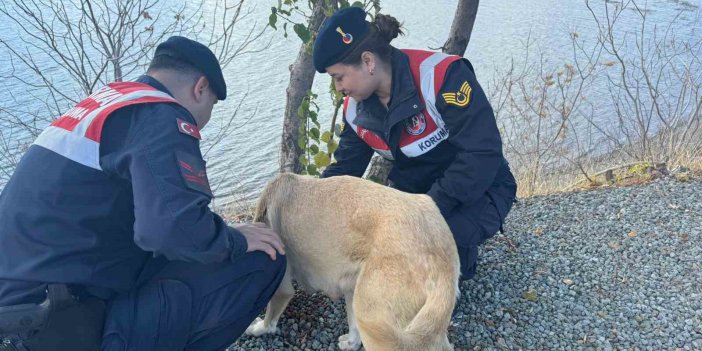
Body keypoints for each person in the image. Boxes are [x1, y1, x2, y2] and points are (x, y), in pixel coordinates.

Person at [0, 36, 286, 351]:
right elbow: (173, 231)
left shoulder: (106, 104)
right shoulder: (161, 115)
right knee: (262, 258)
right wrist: (236, 240)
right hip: (60, 324)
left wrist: (216, 232)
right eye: (211, 106)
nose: (204, 121)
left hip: (23, 310)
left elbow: (153, 220)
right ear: (200, 87)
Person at [314, 7, 517, 280]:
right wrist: (309, 204)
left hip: (481, 188)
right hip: (417, 197)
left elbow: (482, 154)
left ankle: (456, 257)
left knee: (426, 266)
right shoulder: (354, 110)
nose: (338, 88)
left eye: (339, 77)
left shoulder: (443, 77)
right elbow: (345, 170)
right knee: (380, 256)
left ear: (368, 61)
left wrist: (424, 215)